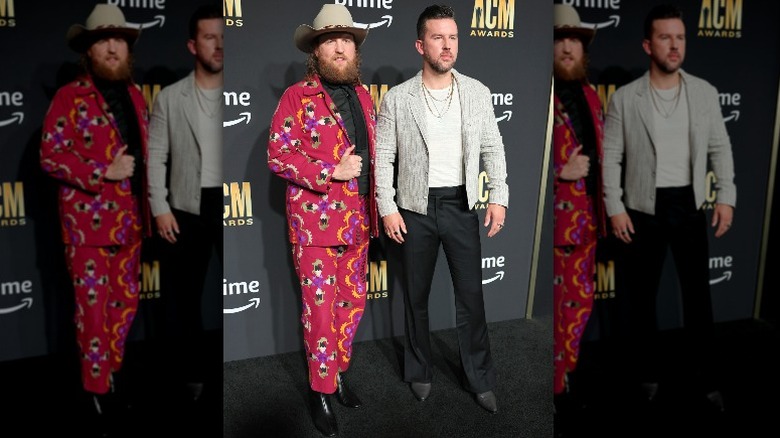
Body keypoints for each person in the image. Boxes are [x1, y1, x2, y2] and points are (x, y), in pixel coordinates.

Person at [375, 3, 508, 414]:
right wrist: (387, 206)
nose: (447, 45)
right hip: (413, 208)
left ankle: (479, 378)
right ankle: (419, 369)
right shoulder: (398, 98)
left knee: (471, 297)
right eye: (438, 37)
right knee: (415, 297)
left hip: (461, 205)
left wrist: (498, 196)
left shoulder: (477, 92)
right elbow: (383, 157)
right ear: (421, 45)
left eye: (452, 37)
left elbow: (493, 147)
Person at [602, 3, 735, 411]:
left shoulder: (704, 92)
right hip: (643, 207)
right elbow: (612, 156)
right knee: (641, 299)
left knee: (698, 299)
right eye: (665, 37)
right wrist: (615, 206)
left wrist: (726, 196)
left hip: (689, 204)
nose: (675, 45)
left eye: (680, 37)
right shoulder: (626, 98)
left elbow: (720, 148)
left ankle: (707, 378)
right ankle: (647, 375)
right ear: (648, 45)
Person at [267, 4, 377, 437]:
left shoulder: (365, 96)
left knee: (352, 305)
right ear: (316, 50)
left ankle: (338, 374)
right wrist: (332, 170)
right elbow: (277, 154)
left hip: (360, 222)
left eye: (346, 39)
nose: (340, 47)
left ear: (355, 49)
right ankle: (321, 390)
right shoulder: (297, 97)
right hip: (316, 227)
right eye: (330, 40)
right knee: (320, 312)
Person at [39, 3, 150, 421]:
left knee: (125, 305)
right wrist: (103, 171)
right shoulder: (70, 96)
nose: (112, 47)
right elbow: (50, 155)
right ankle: (97, 389)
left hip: (131, 224)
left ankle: (109, 375)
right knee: (92, 313)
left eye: (119, 39)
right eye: (103, 40)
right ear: (88, 49)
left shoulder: (136, 95)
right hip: (88, 228)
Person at [147, 3, 223, 403]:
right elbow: (155, 156)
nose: (219, 45)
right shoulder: (170, 98)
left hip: (233, 201)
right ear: (193, 45)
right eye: (210, 37)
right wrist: (159, 207)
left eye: (223, 36)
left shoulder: (239, 90)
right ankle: (193, 372)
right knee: (186, 298)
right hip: (187, 207)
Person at [551, 3, 605, 422]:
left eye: (575, 40)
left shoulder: (590, 96)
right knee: (554, 313)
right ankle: (553, 389)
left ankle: (565, 380)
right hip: (554, 227)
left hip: (588, 224)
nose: (568, 47)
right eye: (560, 39)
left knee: (579, 307)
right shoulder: (542, 96)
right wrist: (561, 171)